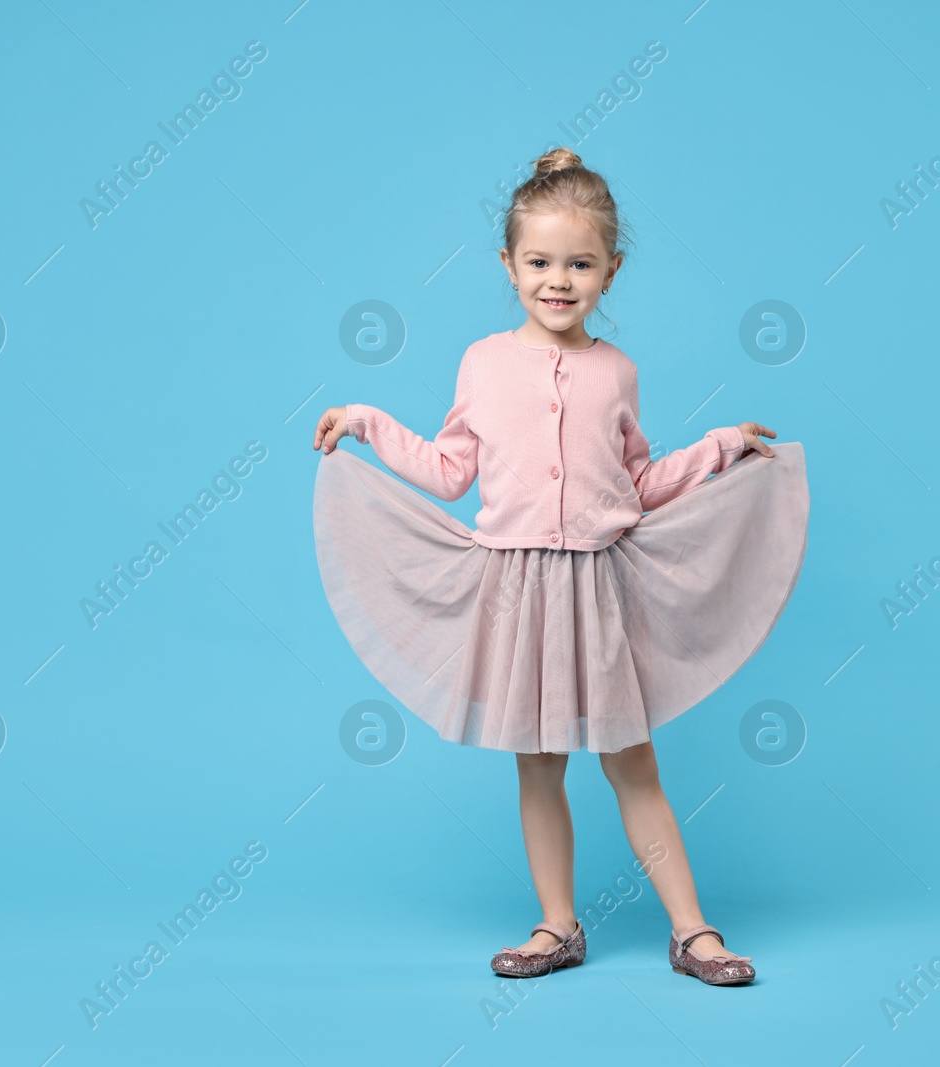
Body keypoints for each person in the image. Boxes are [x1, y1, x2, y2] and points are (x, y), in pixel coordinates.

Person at [311, 147, 808, 987]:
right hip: (515, 594)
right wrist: (365, 420)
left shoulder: (617, 370)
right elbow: (448, 470)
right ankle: (557, 925)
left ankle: (693, 931)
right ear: (508, 265)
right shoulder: (481, 361)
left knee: (632, 763)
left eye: (580, 263)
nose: (559, 279)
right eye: (540, 262)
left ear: (611, 271)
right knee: (537, 762)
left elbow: (639, 484)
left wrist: (720, 448)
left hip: (599, 589)